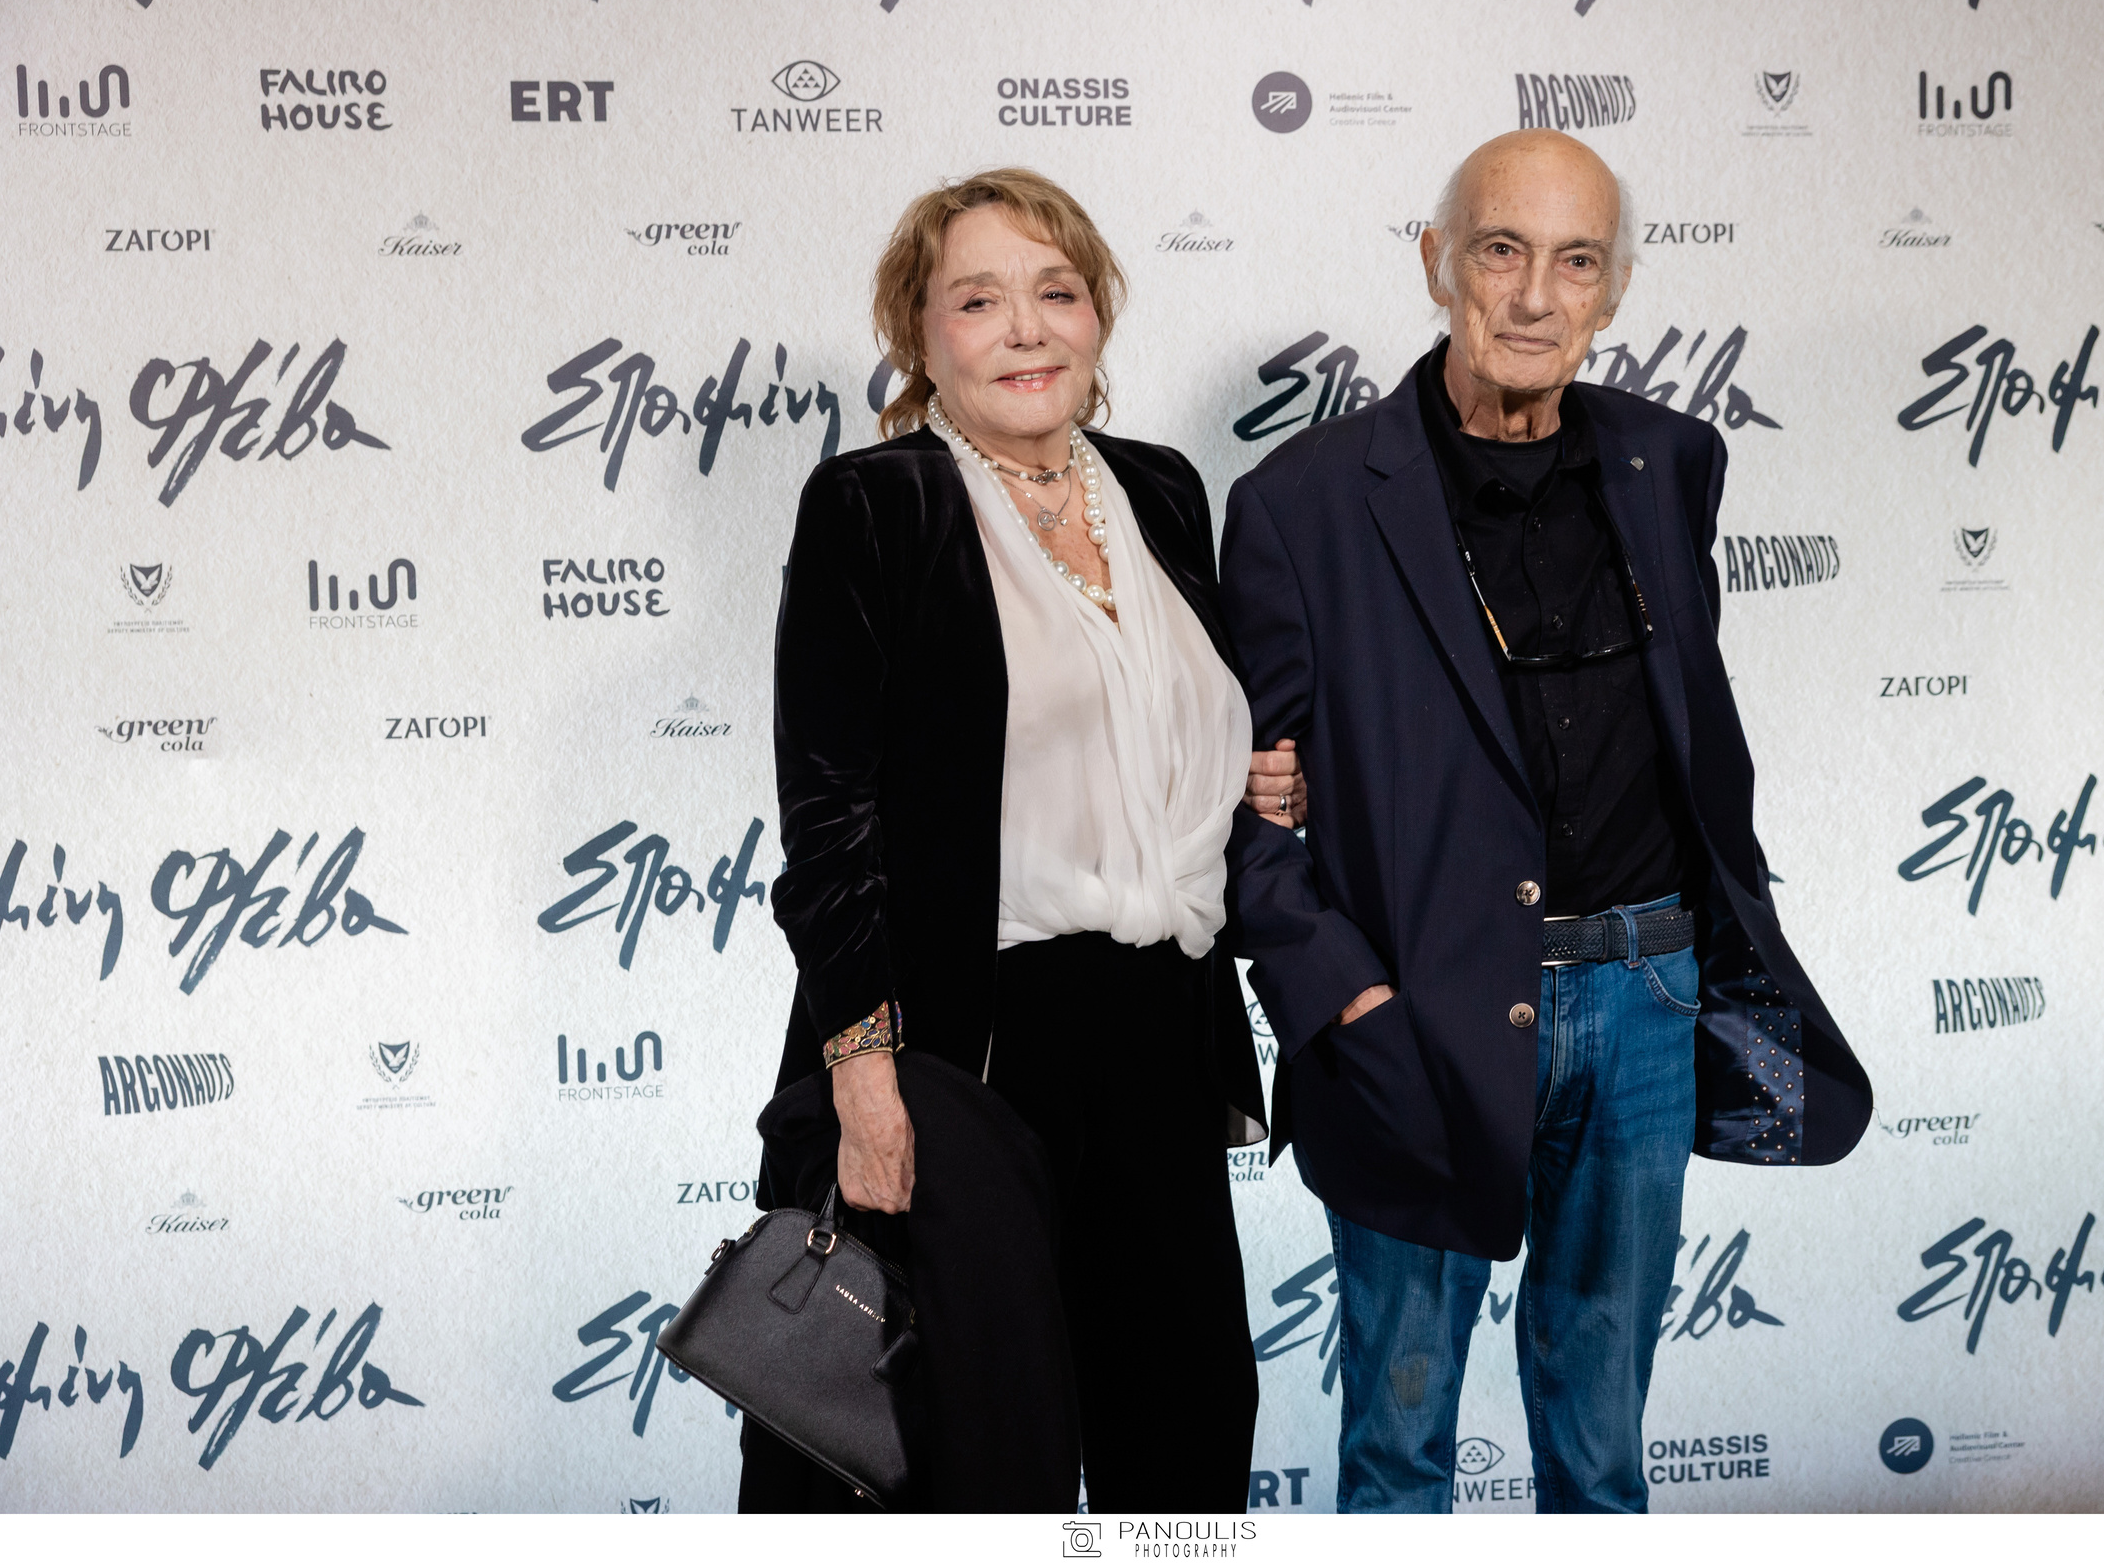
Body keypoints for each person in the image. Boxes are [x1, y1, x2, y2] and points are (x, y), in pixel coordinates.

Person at [1217, 130, 1873, 1514]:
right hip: (1417, 1017)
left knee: (1601, 1440)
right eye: (1500, 251)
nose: (1531, 296)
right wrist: (1347, 1001)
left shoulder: (1667, 460)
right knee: (1398, 1439)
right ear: (1436, 262)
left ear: (1613, 288)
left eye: (1574, 262)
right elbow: (1244, 808)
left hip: (1644, 993)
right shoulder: (1301, 503)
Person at [759, 167, 1296, 1513]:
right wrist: (864, 1082)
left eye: (1055, 292)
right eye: (978, 301)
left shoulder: (1162, 491)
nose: (1024, 330)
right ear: (920, 333)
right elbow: (828, 822)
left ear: (1098, 313)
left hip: (1161, 1031)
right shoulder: (874, 505)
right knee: (977, 1456)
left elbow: (1154, 730)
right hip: (968, 1046)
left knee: (1183, 1428)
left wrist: (1251, 783)